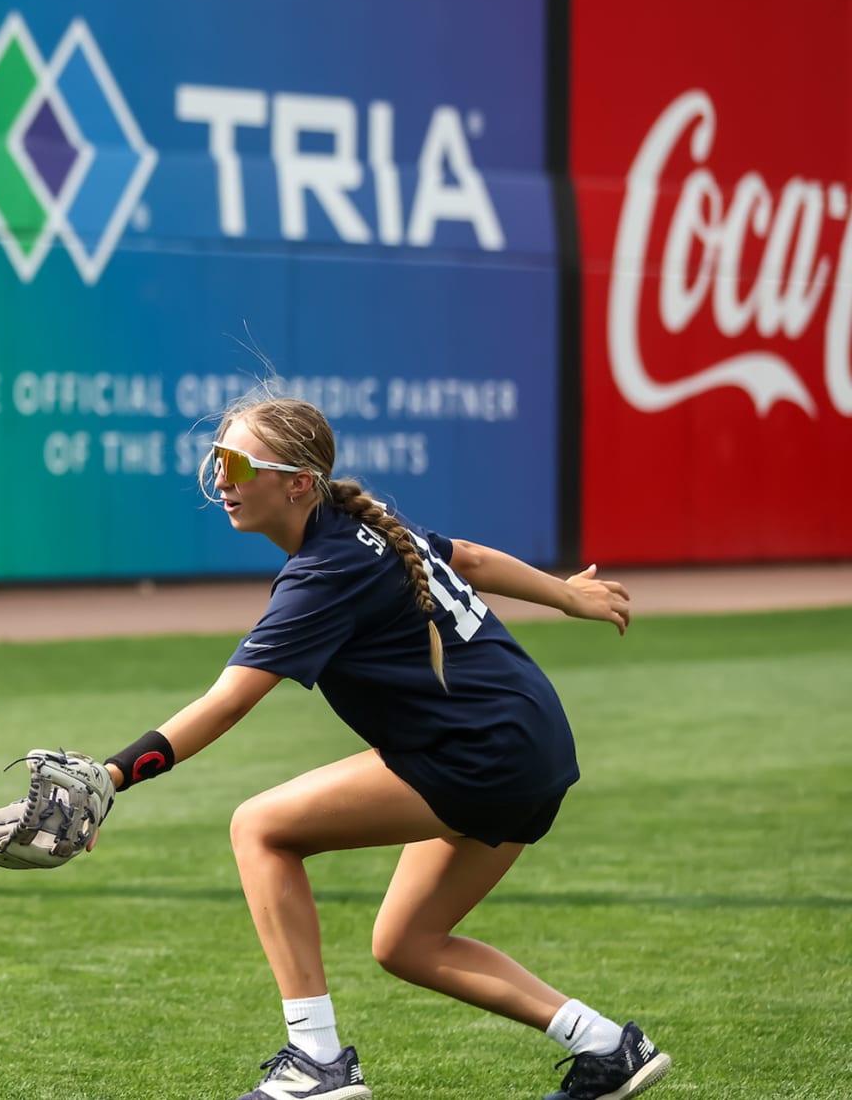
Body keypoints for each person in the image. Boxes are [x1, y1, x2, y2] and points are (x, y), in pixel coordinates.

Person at [94, 394, 668, 1100]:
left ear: (298, 483)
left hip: (482, 752)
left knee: (260, 828)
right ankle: (607, 1046)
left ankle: (316, 1064)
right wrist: (564, 596)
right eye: (217, 458)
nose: (222, 478)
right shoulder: (364, 528)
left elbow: (225, 703)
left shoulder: (324, 571)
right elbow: (476, 558)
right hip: (531, 744)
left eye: (239, 462)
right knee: (406, 944)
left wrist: (109, 776)